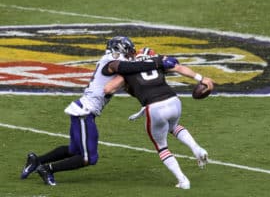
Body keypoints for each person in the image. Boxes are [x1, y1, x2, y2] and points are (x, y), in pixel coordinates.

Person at [20, 37, 178, 186]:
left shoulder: (116, 64)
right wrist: (157, 62)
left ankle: (36, 161)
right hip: (84, 112)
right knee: (89, 158)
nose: (131, 55)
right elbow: (125, 67)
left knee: (74, 150)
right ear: (119, 50)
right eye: (129, 51)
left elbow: (131, 81)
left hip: (85, 111)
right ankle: (48, 169)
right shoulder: (111, 62)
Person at [104, 48, 214, 189]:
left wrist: (126, 85)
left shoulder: (128, 68)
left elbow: (108, 89)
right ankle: (197, 149)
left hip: (155, 107)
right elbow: (179, 68)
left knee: (161, 147)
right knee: (173, 127)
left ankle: (183, 181)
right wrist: (201, 79)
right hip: (174, 101)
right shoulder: (157, 61)